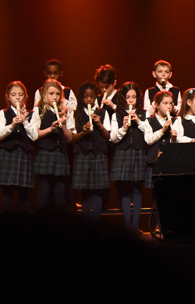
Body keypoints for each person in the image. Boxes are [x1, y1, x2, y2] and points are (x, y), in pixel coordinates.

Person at [0, 81, 37, 214]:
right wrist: (12, 125)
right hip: (8, 153)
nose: (17, 98)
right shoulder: (3, 113)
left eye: (20, 94)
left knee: (24, 193)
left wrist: (25, 121)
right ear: (8, 97)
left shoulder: (32, 114)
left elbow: (34, 136)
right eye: (13, 95)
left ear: (25, 97)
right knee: (7, 191)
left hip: (24, 154)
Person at [71, 82, 110, 222]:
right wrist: (84, 132)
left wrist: (99, 124)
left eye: (92, 97)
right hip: (82, 153)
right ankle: (87, 224)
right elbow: (72, 138)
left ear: (96, 98)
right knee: (85, 192)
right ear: (81, 97)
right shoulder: (76, 113)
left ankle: (96, 222)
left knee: (98, 190)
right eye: (86, 97)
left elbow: (108, 136)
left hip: (99, 153)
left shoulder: (102, 113)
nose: (89, 100)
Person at [110, 82, 146, 233]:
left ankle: (135, 225)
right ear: (123, 98)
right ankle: (127, 227)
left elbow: (149, 134)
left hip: (138, 152)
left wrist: (138, 121)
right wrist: (124, 127)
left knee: (137, 190)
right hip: (122, 153)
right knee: (124, 190)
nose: (131, 100)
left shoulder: (144, 114)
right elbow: (113, 138)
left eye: (134, 97)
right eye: (128, 97)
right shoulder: (116, 115)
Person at [32, 79, 72, 209]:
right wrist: (50, 129)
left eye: (57, 94)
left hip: (60, 152)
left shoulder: (64, 112)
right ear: (44, 94)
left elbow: (70, 138)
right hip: (45, 152)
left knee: (60, 194)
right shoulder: (38, 110)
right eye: (51, 93)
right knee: (44, 191)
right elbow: (34, 134)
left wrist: (64, 124)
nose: (54, 97)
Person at [143, 90, 177, 233]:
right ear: (157, 105)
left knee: (171, 195)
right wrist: (163, 130)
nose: (168, 107)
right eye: (165, 103)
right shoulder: (149, 121)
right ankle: (159, 224)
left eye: (170, 104)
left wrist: (174, 137)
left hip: (170, 162)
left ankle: (171, 224)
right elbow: (148, 140)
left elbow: (177, 144)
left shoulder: (175, 121)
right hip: (155, 162)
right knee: (156, 196)